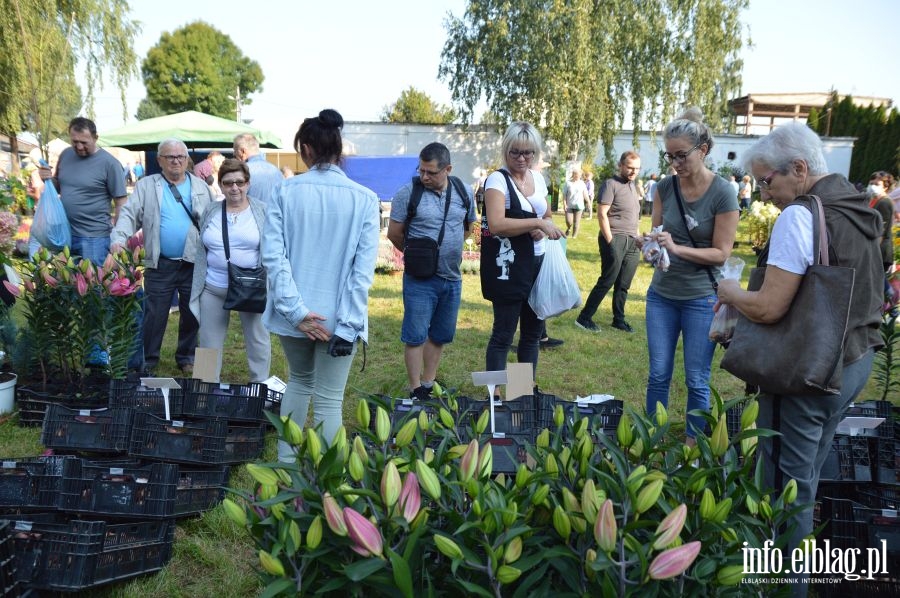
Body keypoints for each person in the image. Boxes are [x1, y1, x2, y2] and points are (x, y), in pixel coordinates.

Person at [716, 123, 883, 596]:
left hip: (808, 371)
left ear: (800, 169)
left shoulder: (800, 215)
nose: (765, 194)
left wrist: (730, 291)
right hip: (853, 361)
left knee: (787, 488)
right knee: (807, 473)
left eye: (767, 181)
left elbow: (769, 306)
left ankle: (785, 586)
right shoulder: (856, 208)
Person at [263, 109, 379, 457]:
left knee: (298, 382)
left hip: (294, 312)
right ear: (338, 148)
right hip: (337, 315)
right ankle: (329, 480)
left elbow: (273, 258)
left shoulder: (286, 192)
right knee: (329, 400)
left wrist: (295, 311)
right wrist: (349, 323)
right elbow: (362, 273)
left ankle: (287, 464)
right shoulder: (365, 198)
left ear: (307, 149)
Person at [643, 107, 739, 439]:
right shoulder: (664, 188)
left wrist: (677, 248)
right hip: (662, 295)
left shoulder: (724, 192)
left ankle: (694, 445)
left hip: (702, 297)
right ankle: (651, 438)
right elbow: (656, 231)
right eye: (670, 156)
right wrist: (652, 248)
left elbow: (721, 253)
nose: (675, 164)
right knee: (658, 374)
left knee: (697, 378)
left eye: (682, 155)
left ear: (704, 150)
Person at [111, 138, 214, 375]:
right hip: (161, 262)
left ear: (187, 159)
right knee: (154, 314)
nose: (176, 161)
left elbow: (212, 221)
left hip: (193, 262)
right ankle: (148, 357)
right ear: (160, 160)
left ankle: (187, 356)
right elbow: (128, 214)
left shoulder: (200, 187)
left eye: (181, 156)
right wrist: (118, 239)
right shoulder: (147, 186)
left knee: (192, 312)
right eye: (170, 157)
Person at [387, 142, 477, 400]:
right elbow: (394, 233)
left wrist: (449, 247)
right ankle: (415, 387)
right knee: (415, 335)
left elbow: (469, 225)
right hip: (419, 279)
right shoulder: (408, 193)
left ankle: (429, 382)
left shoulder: (463, 191)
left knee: (440, 334)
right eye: (421, 170)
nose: (424, 176)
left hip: (451, 276)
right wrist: (417, 254)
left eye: (431, 172)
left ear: (447, 169)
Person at [482, 122, 563, 386]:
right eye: (515, 152)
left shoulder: (538, 178)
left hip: (538, 262)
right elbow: (496, 224)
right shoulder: (497, 180)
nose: (521, 158)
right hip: (511, 265)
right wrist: (536, 224)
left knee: (531, 334)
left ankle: (519, 395)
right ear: (505, 150)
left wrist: (544, 226)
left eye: (528, 153)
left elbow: (547, 215)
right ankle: (493, 401)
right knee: (503, 336)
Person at [189, 158, 270, 382]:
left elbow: (274, 248)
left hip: (250, 286)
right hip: (214, 287)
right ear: (221, 185)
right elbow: (201, 246)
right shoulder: (211, 210)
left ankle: (260, 387)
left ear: (248, 183)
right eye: (228, 183)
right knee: (208, 342)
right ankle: (204, 392)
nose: (234, 187)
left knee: (257, 339)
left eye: (239, 182)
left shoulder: (263, 211)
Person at [37, 117, 127, 265]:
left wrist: (119, 236)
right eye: (74, 142)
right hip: (64, 233)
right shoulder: (66, 154)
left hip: (94, 238)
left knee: (93, 285)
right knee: (66, 284)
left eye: (84, 142)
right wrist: (46, 178)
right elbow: (58, 186)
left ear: (95, 137)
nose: (79, 146)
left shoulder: (110, 164)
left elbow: (121, 202)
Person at [575, 151, 642, 333]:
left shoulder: (632, 186)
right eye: (629, 167)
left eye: (636, 168)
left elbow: (634, 217)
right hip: (614, 237)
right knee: (608, 279)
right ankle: (584, 317)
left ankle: (618, 320)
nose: (633, 171)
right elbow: (602, 214)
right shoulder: (610, 184)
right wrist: (611, 241)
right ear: (620, 165)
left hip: (632, 242)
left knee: (624, 283)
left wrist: (638, 238)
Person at [233, 133, 283, 205]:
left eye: (235, 151)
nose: (234, 154)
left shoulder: (242, 171)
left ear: (242, 151)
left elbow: (235, 203)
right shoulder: (277, 171)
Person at [562, 167, 589, 238]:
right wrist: (564, 204)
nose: (577, 176)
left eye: (579, 174)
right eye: (576, 174)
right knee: (568, 221)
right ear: (573, 174)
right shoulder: (568, 183)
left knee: (576, 222)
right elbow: (564, 195)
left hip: (579, 206)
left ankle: (574, 236)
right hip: (569, 205)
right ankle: (569, 228)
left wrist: (588, 202)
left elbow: (585, 194)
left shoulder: (582, 183)